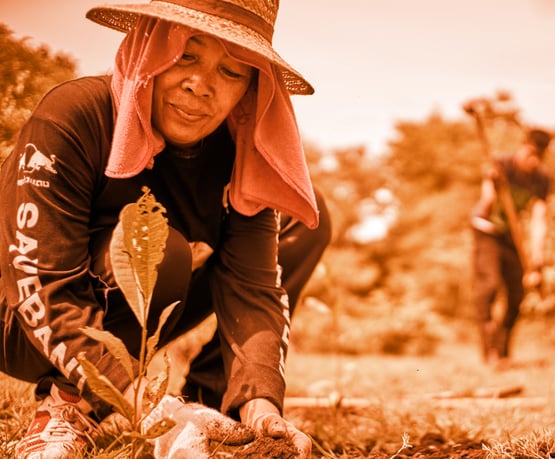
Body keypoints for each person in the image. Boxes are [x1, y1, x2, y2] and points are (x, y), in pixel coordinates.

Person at [0, 0, 330, 457]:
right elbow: (41, 280)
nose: (200, 85)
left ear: (251, 88)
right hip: (17, 313)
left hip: (120, 316)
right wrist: (150, 407)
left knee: (302, 219)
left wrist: (262, 409)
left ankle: (214, 409)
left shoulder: (240, 153)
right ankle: (70, 404)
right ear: (149, 48)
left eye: (231, 72)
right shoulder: (75, 114)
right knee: (157, 250)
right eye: (185, 55)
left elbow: (253, 289)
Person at [470, 128, 551, 368]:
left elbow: (539, 219)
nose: (533, 160)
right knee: (489, 285)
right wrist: (493, 186)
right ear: (522, 146)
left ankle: (503, 351)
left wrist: (537, 258)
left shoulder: (541, 179)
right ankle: (489, 352)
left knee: (517, 294)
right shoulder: (501, 164)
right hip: (486, 230)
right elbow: (485, 203)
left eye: (539, 156)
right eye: (531, 153)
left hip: (510, 236)